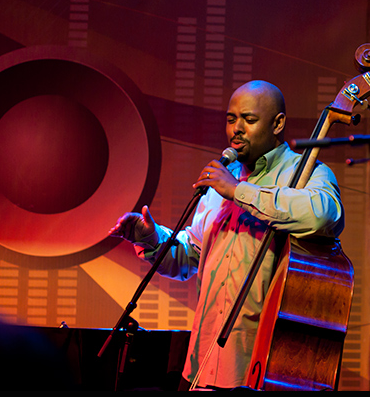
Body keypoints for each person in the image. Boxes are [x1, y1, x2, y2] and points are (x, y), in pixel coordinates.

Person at [108, 80, 345, 390]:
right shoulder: (223, 179)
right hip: (199, 364)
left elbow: (323, 215)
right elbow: (190, 256)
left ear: (278, 123)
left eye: (248, 119)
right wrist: (150, 238)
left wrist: (239, 192)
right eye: (231, 119)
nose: (236, 128)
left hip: (262, 368)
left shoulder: (306, 172)